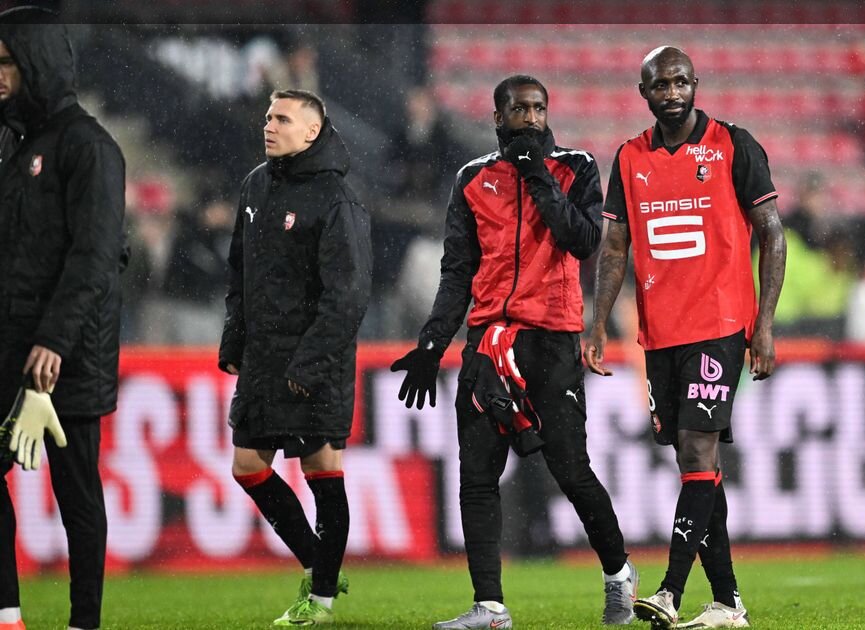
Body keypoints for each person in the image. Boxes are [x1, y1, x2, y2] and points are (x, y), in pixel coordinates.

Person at [390, 75, 636, 630]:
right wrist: (432, 343)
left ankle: (619, 572)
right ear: (498, 117)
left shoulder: (575, 167)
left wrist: (536, 176)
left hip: (551, 339)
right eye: (519, 109)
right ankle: (490, 607)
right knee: (477, 475)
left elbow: (583, 240)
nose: (531, 118)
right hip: (488, 343)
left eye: (538, 108)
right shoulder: (472, 178)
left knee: (570, 469)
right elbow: (457, 271)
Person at [586, 47, 786, 629]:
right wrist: (597, 324)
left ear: (696, 83)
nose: (671, 92)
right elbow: (615, 247)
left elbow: (772, 234)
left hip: (720, 324)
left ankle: (670, 590)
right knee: (697, 466)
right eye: (660, 84)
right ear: (644, 92)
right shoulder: (630, 157)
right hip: (661, 332)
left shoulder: (733, 144)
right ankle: (727, 602)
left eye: (680, 81)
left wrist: (764, 324)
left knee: (698, 453)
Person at [219, 89, 371, 627]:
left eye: (282, 118)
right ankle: (319, 563)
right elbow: (239, 271)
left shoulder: (336, 198)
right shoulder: (255, 185)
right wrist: (234, 340)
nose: (269, 125)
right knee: (247, 466)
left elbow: (348, 295)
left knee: (321, 468)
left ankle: (321, 601)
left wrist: (309, 365)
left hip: (314, 360)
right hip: (263, 356)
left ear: (311, 131)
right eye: (267, 116)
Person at [0, 22, 126, 630]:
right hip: (11, 343)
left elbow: (95, 254)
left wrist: (55, 338)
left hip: (69, 353)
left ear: (37, 62)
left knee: (75, 491)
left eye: (7, 61)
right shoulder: (12, 143)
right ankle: (6, 613)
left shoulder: (89, 147)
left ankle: (84, 623)